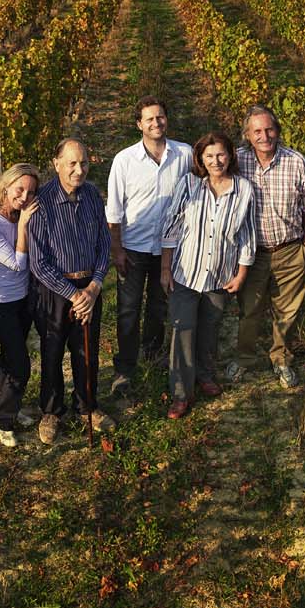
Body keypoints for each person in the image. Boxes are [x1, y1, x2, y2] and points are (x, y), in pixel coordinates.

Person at [158, 131, 257, 418]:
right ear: (201, 158)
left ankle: (205, 376)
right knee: (183, 330)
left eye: (221, 154)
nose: (216, 161)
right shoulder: (190, 185)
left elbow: (246, 235)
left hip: (220, 276)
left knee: (210, 330)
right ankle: (180, 393)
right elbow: (171, 227)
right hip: (185, 274)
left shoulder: (243, 189)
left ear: (230, 156)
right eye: (210, 155)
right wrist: (165, 268)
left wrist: (241, 274)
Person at [25, 139, 115, 443]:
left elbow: (104, 244)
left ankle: (87, 406)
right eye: (72, 163)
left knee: (86, 351)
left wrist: (94, 286)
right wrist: (73, 294)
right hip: (55, 291)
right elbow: (38, 263)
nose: (79, 170)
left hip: (89, 286)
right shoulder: (42, 202)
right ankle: (51, 411)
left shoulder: (91, 194)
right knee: (52, 351)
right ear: (56, 164)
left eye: (84, 163)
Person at [104, 97, 191, 403]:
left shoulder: (185, 154)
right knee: (128, 310)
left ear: (167, 119)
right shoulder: (124, 160)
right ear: (139, 125)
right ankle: (125, 369)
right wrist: (117, 250)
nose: (156, 123)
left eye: (160, 117)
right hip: (134, 248)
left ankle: (152, 356)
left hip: (170, 248)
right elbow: (114, 211)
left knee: (158, 305)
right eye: (149, 119)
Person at [234, 105, 305, 388]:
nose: (265, 136)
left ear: (278, 130)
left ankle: (281, 359)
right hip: (252, 253)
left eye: (269, 129)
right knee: (250, 309)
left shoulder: (295, 161)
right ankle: (245, 357)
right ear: (248, 135)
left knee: (288, 311)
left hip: (289, 250)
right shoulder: (237, 161)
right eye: (257, 131)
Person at [0, 163, 41, 448]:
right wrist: (25, 225)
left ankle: (6, 408)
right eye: (19, 189)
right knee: (20, 365)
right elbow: (16, 264)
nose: (25, 196)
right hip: (1, 302)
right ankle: (4, 421)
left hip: (23, 299)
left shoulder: (16, 215)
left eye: (30, 192)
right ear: (5, 187)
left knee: (9, 356)